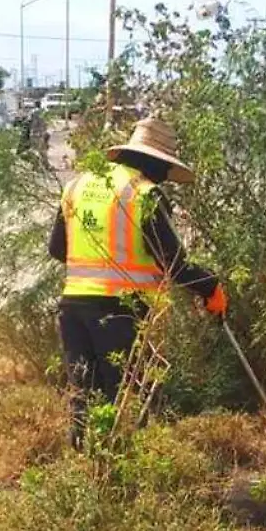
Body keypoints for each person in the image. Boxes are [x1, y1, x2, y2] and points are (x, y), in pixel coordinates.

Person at [48, 116, 227, 447]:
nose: (164, 179)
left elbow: (58, 249)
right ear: (153, 161)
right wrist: (210, 287)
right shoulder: (144, 193)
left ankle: (86, 470)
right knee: (127, 399)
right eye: (163, 169)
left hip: (72, 308)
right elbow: (174, 264)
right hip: (120, 313)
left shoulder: (77, 185)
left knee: (84, 396)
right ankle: (126, 479)